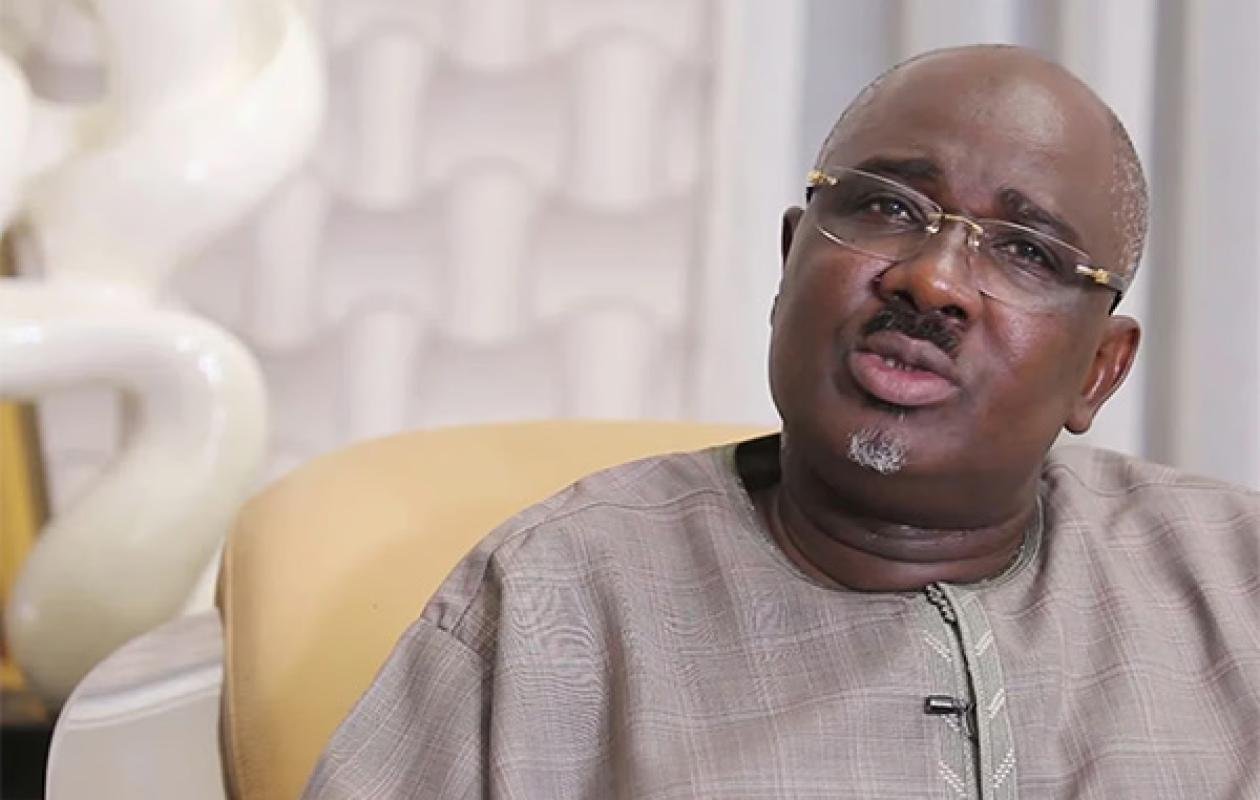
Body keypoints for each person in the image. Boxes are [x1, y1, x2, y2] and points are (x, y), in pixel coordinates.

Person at [304, 45, 1260, 799]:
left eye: (1026, 252)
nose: (931, 280)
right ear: (790, 264)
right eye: (886, 206)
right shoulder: (555, 600)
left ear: (1099, 370)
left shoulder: (1234, 580)